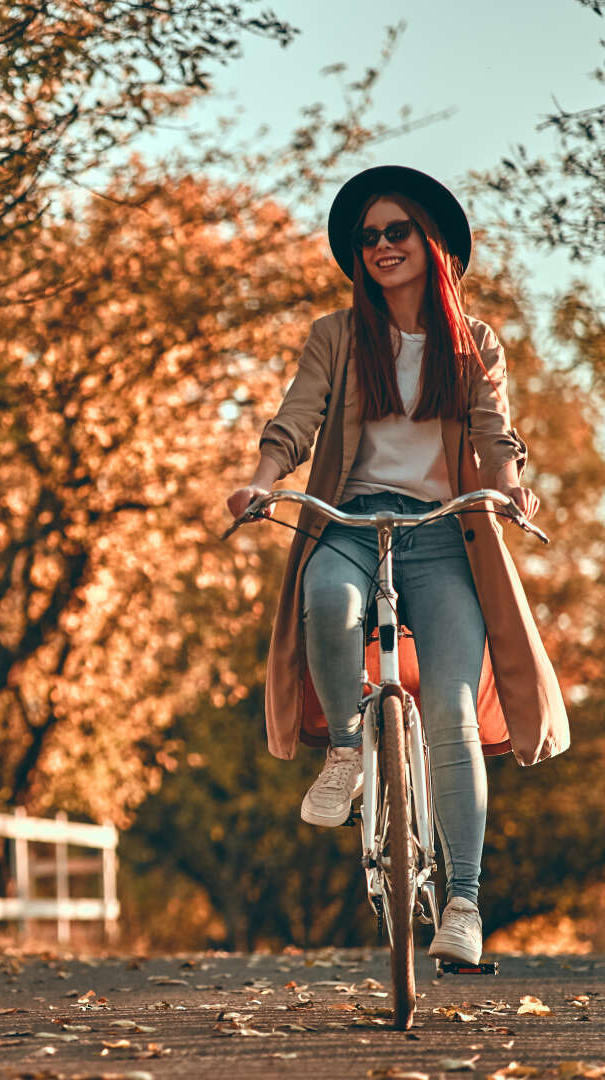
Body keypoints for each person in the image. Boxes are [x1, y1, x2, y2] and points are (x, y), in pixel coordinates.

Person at [226, 166, 569, 964]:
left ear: (431, 243)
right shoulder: (336, 336)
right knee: (329, 602)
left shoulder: (474, 342)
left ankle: (462, 904)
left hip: (447, 534)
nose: (379, 246)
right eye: (367, 237)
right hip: (353, 518)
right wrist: (264, 479)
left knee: (450, 711)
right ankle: (347, 749)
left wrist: (512, 488)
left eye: (395, 232)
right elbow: (296, 419)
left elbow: (495, 434)